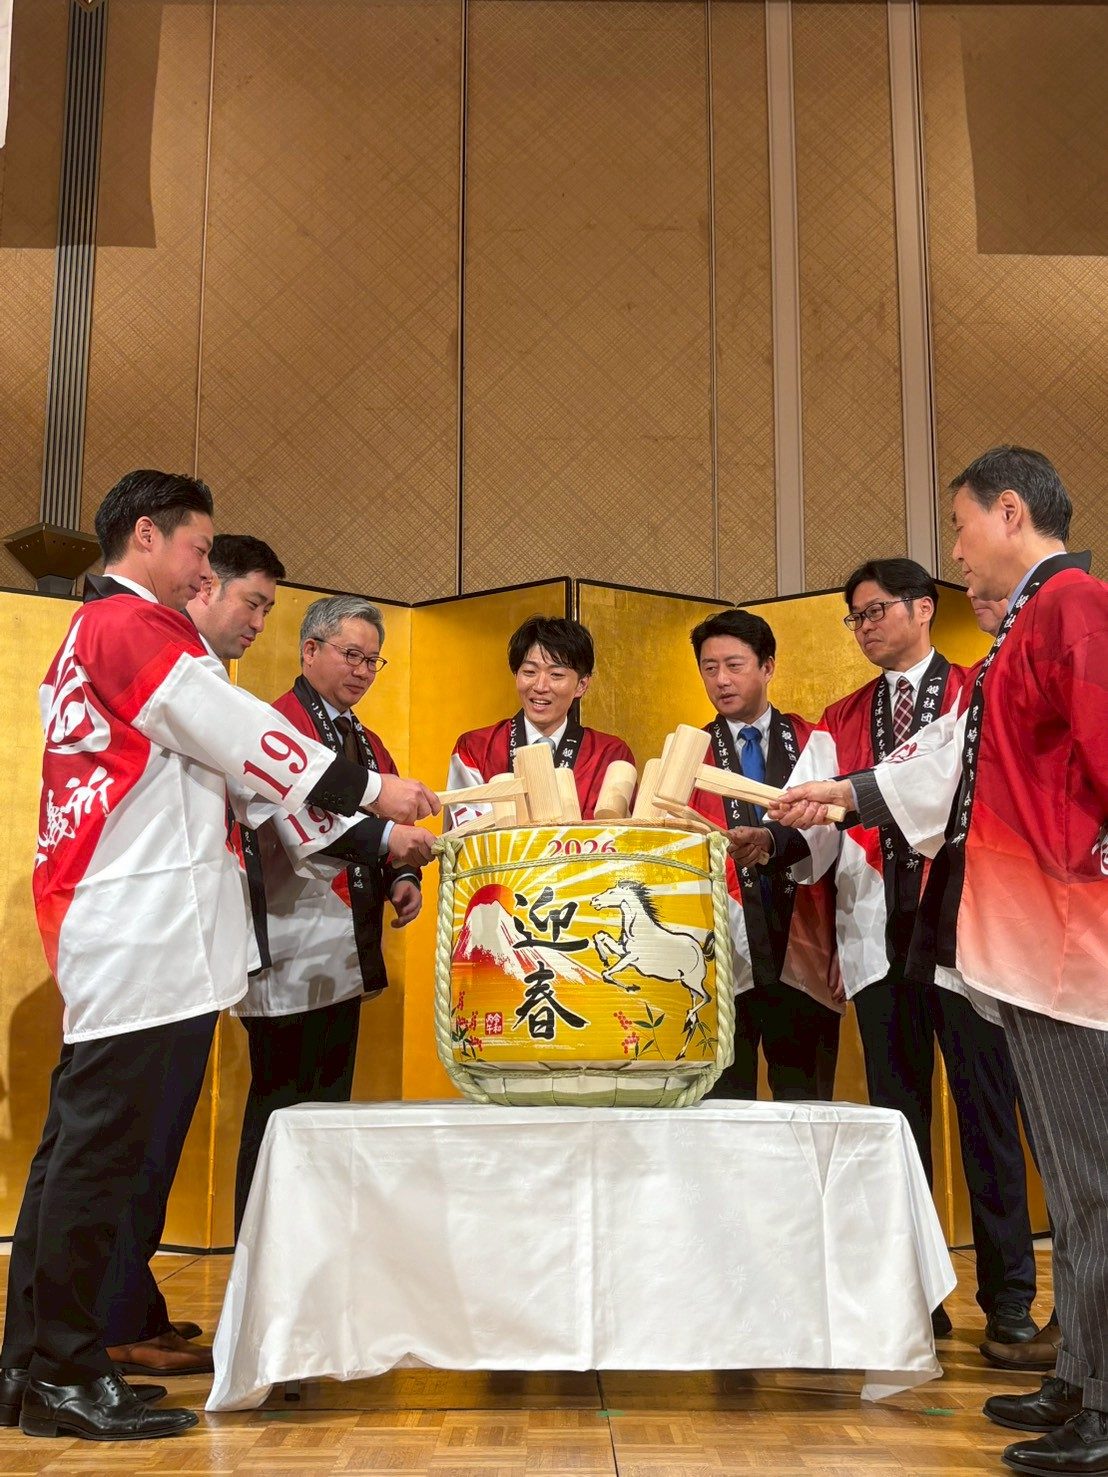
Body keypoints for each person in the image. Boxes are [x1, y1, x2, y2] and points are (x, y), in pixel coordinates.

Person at [0, 470, 438, 1442]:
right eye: (200, 551)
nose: (206, 572)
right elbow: (246, 739)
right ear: (146, 536)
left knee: (76, 1151)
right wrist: (374, 792)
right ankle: (66, 1368)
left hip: (123, 921)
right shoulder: (132, 627)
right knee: (103, 1156)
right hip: (144, 925)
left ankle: (30, 1360)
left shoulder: (95, 633)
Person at [774, 447, 1108, 1474]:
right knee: (1071, 1177)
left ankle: (1104, 1400)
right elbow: (952, 758)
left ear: (1009, 512)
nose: (955, 551)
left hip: (1069, 935)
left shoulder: (1073, 607)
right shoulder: (1025, 627)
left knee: (1091, 1181)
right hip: (1028, 937)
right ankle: (1080, 1373)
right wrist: (846, 794)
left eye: (960, 526)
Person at [757, 558, 1037, 1346]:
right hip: (878, 941)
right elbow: (812, 827)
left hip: (969, 939)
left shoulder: (977, 692)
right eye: (855, 616)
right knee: (898, 1126)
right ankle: (915, 1294)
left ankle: (1010, 1299)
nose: (864, 626)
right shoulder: (840, 716)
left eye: (875, 610)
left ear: (923, 608)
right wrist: (771, 842)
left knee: (988, 1116)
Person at [87, 534, 289, 1379]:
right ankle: (89, 1336)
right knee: (119, 1147)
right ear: (200, 586)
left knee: (152, 1142)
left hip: (183, 945)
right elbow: (276, 782)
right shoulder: (154, 657)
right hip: (142, 941)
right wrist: (379, 817)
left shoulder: (196, 675)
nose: (257, 621)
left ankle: (125, 1311)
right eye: (250, 600)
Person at [231, 595, 435, 1231]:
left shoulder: (364, 740)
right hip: (290, 946)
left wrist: (403, 876)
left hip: (343, 949)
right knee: (279, 1108)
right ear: (309, 650)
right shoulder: (278, 729)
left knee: (326, 1107)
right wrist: (390, 841)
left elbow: (388, 817)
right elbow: (306, 831)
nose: (363, 671)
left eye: (373, 660)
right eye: (352, 655)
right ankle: (255, 1248)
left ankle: (310, 1247)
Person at [686, 609, 841, 1100]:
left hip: (808, 947)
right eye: (709, 668)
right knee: (723, 1110)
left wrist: (848, 946)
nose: (721, 680)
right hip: (721, 959)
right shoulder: (688, 755)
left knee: (806, 1107)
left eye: (734, 665)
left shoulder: (816, 741)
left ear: (768, 666)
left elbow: (847, 849)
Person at [446, 615, 634, 825]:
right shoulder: (475, 748)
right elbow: (463, 836)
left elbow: (626, 835)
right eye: (529, 672)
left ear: (581, 685)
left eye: (556, 675)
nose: (540, 686)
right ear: (516, 675)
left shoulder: (610, 755)